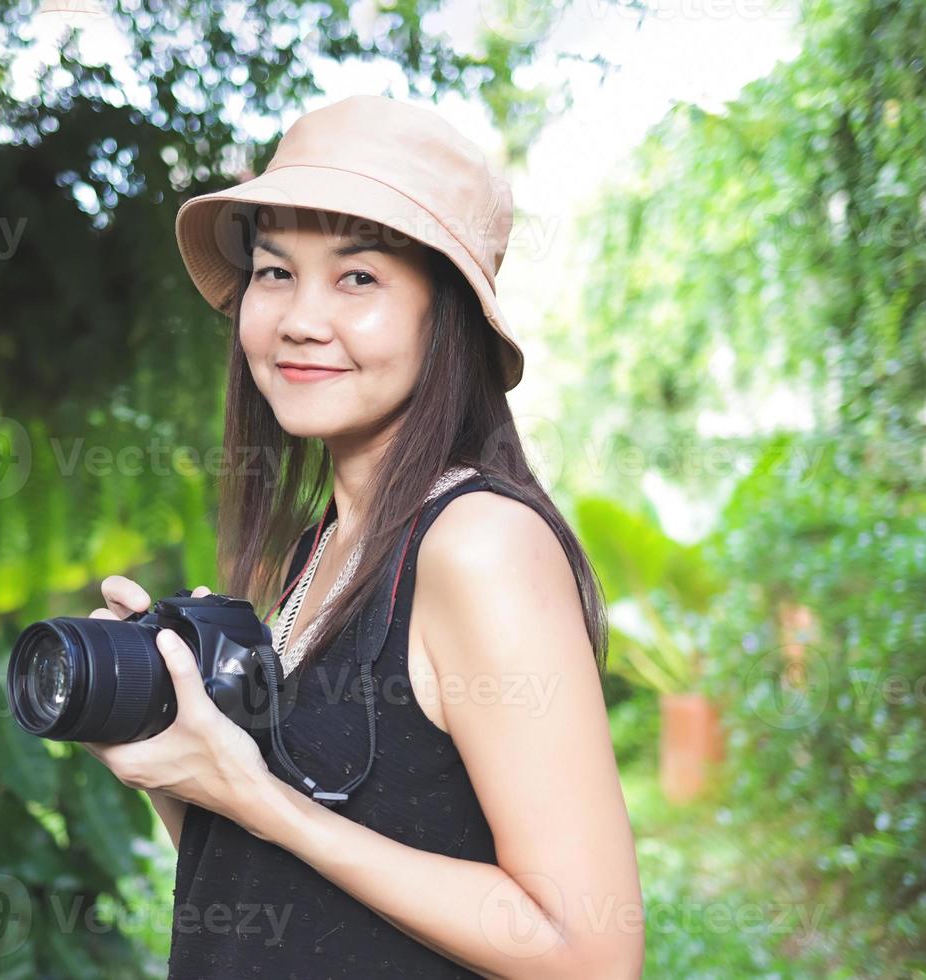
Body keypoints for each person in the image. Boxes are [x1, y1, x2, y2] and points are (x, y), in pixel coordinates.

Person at [82, 94, 644, 978]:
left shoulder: (478, 545)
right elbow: (272, 880)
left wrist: (262, 800)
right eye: (274, 272)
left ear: (444, 314)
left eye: (358, 278)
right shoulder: (321, 550)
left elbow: (589, 954)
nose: (300, 318)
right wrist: (170, 735)